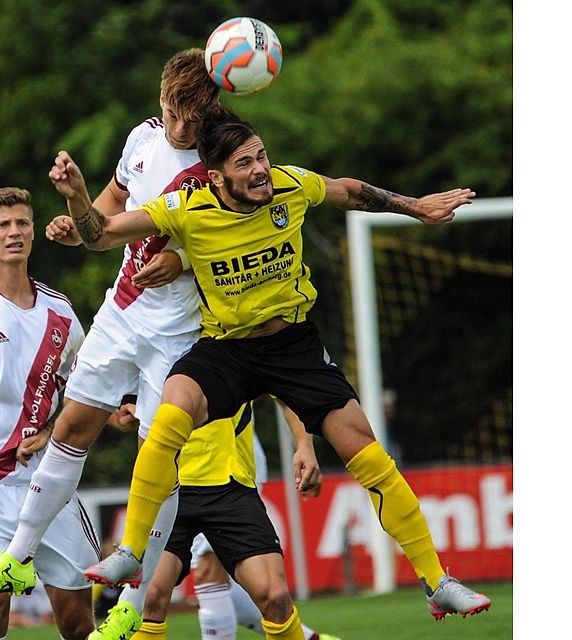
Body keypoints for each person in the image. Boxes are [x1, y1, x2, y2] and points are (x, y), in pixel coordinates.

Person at [48, 106, 493, 633]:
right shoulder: (185, 207)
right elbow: (102, 234)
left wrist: (415, 206)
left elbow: (348, 191)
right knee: (170, 416)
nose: (260, 169)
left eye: (261, 155)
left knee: (367, 452)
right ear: (215, 178)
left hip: (293, 346)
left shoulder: (289, 186)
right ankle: (130, 553)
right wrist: (77, 196)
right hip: (228, 347)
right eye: (244, 163)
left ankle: (437, 581)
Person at [0, 50, 327, 640]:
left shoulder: (227, 156)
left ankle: (133, 602)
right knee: (73, 427)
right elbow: (102, 228)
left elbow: (247, 229)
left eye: (190, 117)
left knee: (160, 464)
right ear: (160, 102)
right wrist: (75, 206)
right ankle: (16, 555)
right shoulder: (142, 139)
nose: (180, 129)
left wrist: (181, 259)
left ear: (210, 106)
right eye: (171, 114)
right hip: (123, 312)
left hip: (182, 331)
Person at [0, 187, 98, 640]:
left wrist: (51, 429)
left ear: (33, 232)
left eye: (23, 223)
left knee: (78, 624)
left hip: (50, 485)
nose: (14, 232)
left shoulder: (62, 312)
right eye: (4, 225)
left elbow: (86, 393)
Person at [110, 401, 339, 640]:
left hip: (227, 477)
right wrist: (122, 415)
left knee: (225, 577)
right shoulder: (152, 365)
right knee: (154, 595)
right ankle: (310, 637)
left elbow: (287, 390)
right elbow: (105, 398)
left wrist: (304, 446)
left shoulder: (235, 365)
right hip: (169, 482)